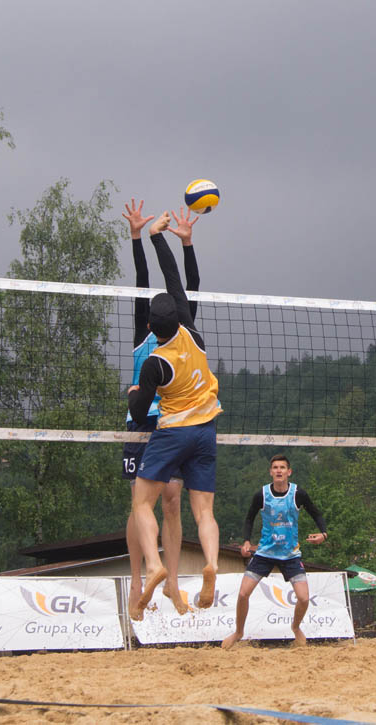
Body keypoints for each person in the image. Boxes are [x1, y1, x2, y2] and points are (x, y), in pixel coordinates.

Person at [126, 210, 222, 621]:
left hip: (167, 422)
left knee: (166, 504)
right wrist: (140, 238)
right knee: (142, 504)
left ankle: (169, 582)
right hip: (158, 424)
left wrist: (184, 243)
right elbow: (149, 282)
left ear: (154, 320)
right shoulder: (163, 330)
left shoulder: (179, 330)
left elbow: (187, 285)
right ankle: (138, 582)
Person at [221, 454, 328, 648]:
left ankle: (295, 628)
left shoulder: (298, 494)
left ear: (289, 472)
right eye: (275, 467)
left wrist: (323, 534)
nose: (279, 470)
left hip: (290, 554)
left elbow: (316, 513)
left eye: (282, 467)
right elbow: (249, 519)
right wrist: (246, 541)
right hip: (265, 553)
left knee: (304, 598)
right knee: (243, 593)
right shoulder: (262, 494)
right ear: (271, 472)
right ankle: (238, 632)